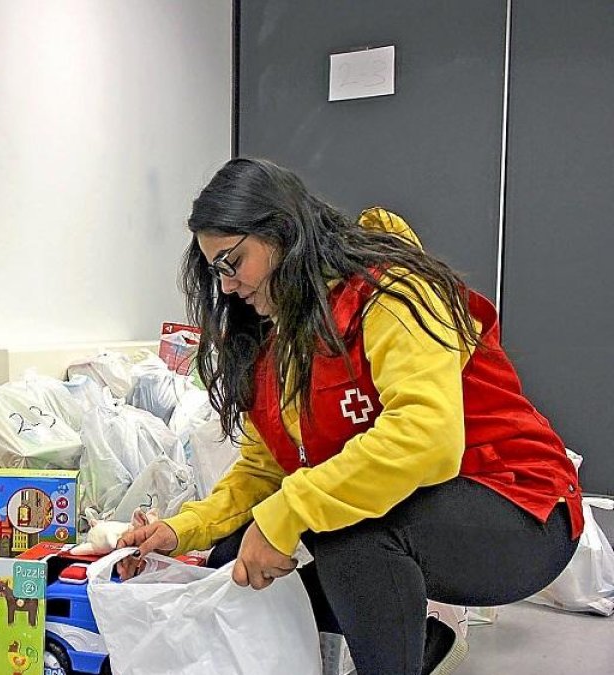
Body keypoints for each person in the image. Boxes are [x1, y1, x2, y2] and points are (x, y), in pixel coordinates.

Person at [117, 158, 582, 675]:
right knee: (235, 563)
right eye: (216, 271)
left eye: (233, 261)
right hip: (420, 509)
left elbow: (425, 437)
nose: (226, 286)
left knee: (346, 531)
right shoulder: (276, 342)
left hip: (522, 510)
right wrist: (181, 531)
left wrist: (288, 512)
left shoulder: (392, 295)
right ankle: (424, 643)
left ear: (282, 233)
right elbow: (261, 472)